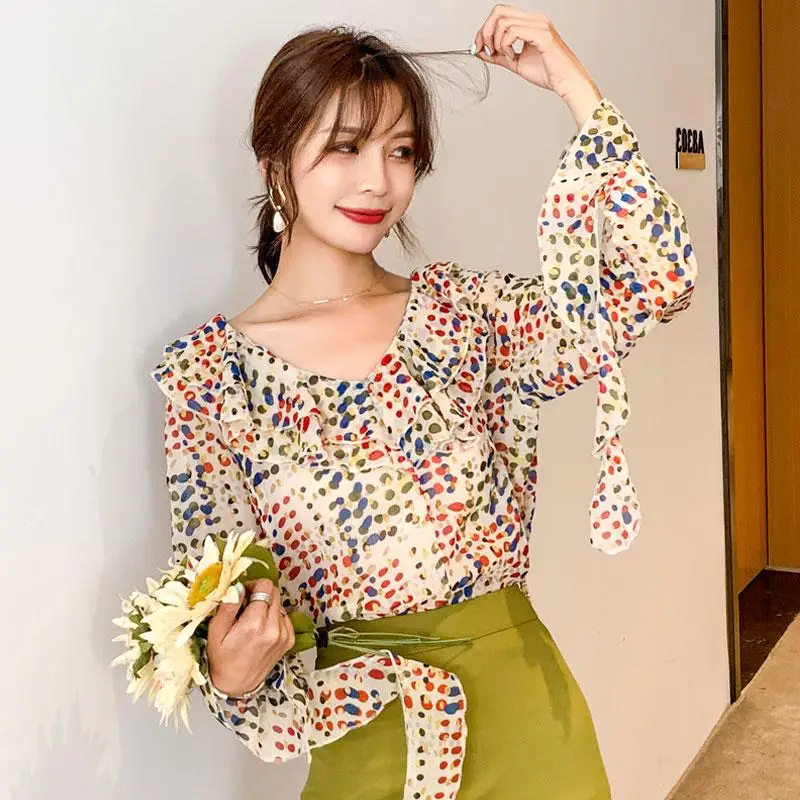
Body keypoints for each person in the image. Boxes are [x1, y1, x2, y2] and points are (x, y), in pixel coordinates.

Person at [150, 7, 697, 799]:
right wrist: (231, 673)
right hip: (362, 742)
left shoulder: (465, 320)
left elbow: (658, 280)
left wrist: (571, 84)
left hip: (528, 726)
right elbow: (220, 612)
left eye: (401, 151)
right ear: (274, 163)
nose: (378, 180)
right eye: (345, 147)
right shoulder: (209, 379)